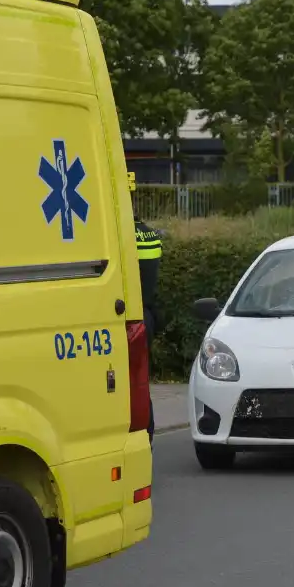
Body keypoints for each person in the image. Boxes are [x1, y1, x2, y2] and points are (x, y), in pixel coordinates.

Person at [130, 173, 163, 445]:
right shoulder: (150, 233)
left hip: (129, 318)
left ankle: (140, 437)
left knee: (130, 386)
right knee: (141, 382)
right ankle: (147, 437)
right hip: (148, 315)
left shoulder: (123, 236)